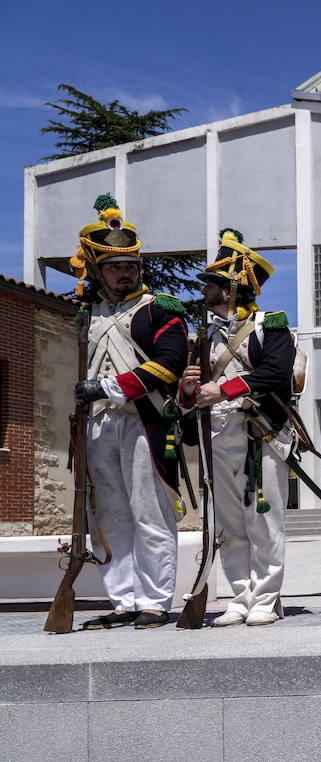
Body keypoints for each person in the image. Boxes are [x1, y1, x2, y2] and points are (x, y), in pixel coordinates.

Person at [69, 195, 189, 630]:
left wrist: (107, 386)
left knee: (148, 512)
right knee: (110, 514)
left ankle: (156, 601)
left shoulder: (161, 308)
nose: (125, 274)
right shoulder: (86, 314)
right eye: (116, 268)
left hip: (143, 420)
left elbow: (169, 364)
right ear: (99, 271)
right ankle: (123, 600)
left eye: (131, 267)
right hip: (99, 425)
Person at [178, 229, 294, 627]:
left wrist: (221, 389)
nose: (205, 289)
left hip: (258, 433)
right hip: (217, 436)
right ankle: (239, 597)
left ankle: (266, 598)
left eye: (211, 282)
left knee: (263, 520)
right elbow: (194, 393)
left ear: (231, 288)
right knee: (228, 523)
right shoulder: (204, 335)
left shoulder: (271, 324)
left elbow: (276, 372)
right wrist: (188, 390)